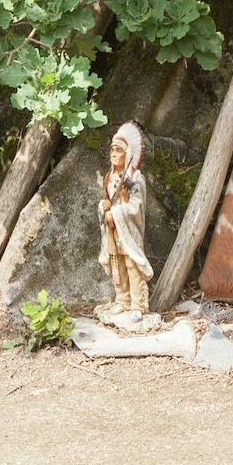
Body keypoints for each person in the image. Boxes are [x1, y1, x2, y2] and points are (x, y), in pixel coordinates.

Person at [98, 122, 153, 318]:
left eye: (118, 150)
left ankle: (138, 305)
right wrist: (104, 206)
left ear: (127, 154)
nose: (114, 154)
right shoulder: (108, 177)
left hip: (128, 230)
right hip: (113, 230)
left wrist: (116, 212)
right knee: (117, 263)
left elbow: (136, 207)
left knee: (132, 264)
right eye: (112, 149)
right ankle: (122, 300)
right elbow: (104, 199)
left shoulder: (135, 179)